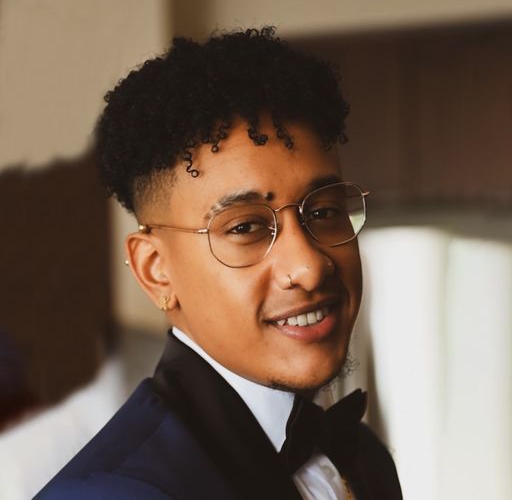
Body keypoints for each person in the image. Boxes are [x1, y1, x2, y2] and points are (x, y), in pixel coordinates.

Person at [35, 27, 402, 500]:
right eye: (246, 227)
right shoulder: (111, 493)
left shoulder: (363, 456)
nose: (309, 268)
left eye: (323, 211)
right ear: (155, 270)